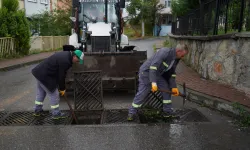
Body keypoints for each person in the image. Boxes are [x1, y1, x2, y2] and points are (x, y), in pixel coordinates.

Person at [127, 43, 189, 121]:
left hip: (157, 74)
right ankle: (131, 113)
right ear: (178, 51)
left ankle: (167, 112)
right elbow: (153, 67)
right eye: (182, 55)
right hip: (146, 72)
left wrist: (174, 87)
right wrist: (153, 83)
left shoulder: (176, 58)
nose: (182, 57)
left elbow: (171, 73)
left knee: (166, 90)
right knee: (142, 93)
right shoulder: (164, 52)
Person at [32, 50, 84, 119]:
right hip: (45, 75)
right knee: (54, 94)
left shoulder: (67, 55)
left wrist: (61, 86)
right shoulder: (66, 61)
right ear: (74, 56)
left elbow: (60, 72)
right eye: (78, 60)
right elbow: (61, 76)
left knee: (41, 92)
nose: (77, 62)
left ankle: (37, 110)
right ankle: (56, 113)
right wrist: (62, 89)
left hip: (39, 72)